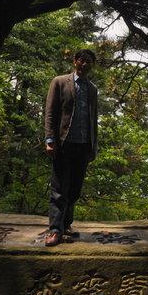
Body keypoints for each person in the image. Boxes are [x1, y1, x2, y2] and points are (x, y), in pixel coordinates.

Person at [43, 49, 99, 246]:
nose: (85, 64)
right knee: (59, 189)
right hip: (64, 143)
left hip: (83, 145)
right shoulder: (60, 82)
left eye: (89, 62)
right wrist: (50, 140)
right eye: (82, 60)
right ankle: (55, 230)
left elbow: (94, 120)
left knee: (75, 189)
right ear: (75, 61)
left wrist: (94, 146)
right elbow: (50, 113)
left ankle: (66, 225)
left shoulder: (92, 89)